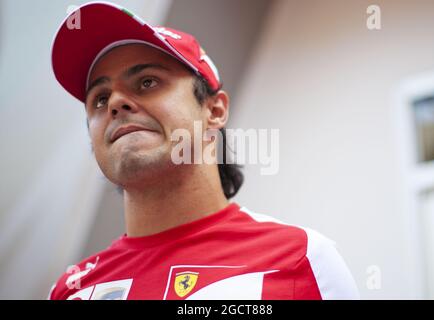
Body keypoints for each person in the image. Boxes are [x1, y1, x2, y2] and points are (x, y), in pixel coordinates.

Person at [48, 2, 359, 300]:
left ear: (215, 110)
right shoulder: (70, 289)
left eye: (147, 81)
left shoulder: (301, 261)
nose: (115, 102)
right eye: (100, 99)